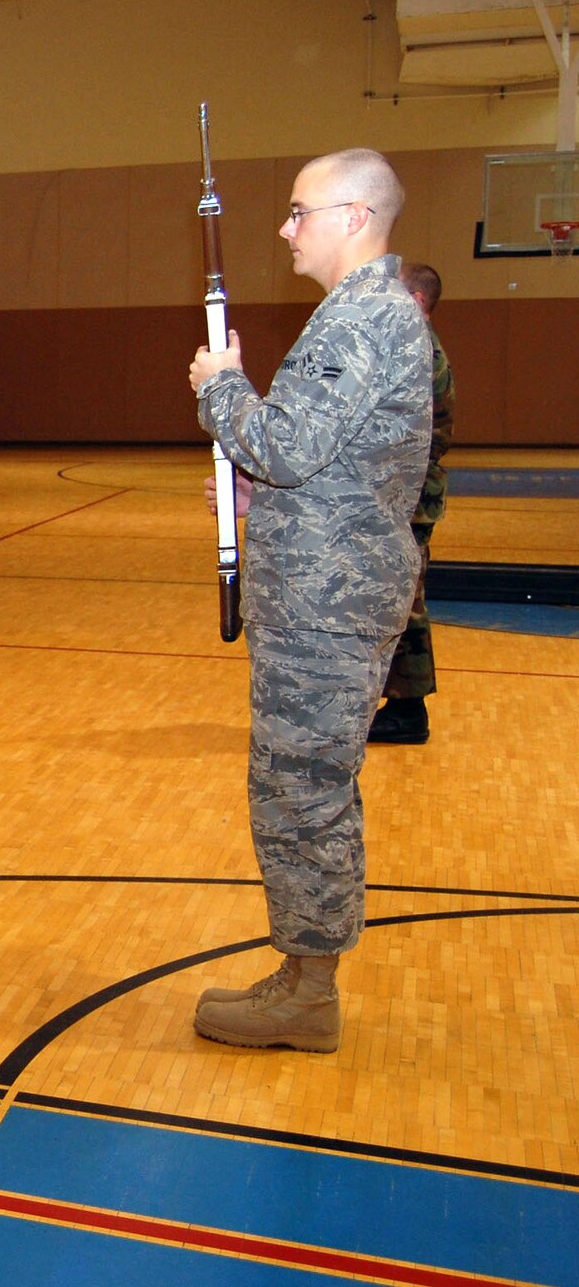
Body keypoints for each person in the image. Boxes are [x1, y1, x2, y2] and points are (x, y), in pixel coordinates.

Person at [188, 148, 431, 1052]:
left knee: (301, 795)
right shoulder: (360, 315)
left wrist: (220, 387)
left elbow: (284, 445)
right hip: (326, 591)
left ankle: (309, 994)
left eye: (300, 212)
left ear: (355, 217)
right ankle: (303, 970)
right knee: (304, 789)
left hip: (329, 603)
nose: (286, 229)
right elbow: (319, 460)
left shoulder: (362, 321)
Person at [369, 261, 454, 745]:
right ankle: (401, 702)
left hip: (411, 492)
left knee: (406, 598)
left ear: (416, 302)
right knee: (401, 594)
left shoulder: (419, 353)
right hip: (409, 488)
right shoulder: (413, 349)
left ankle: (408, 708)